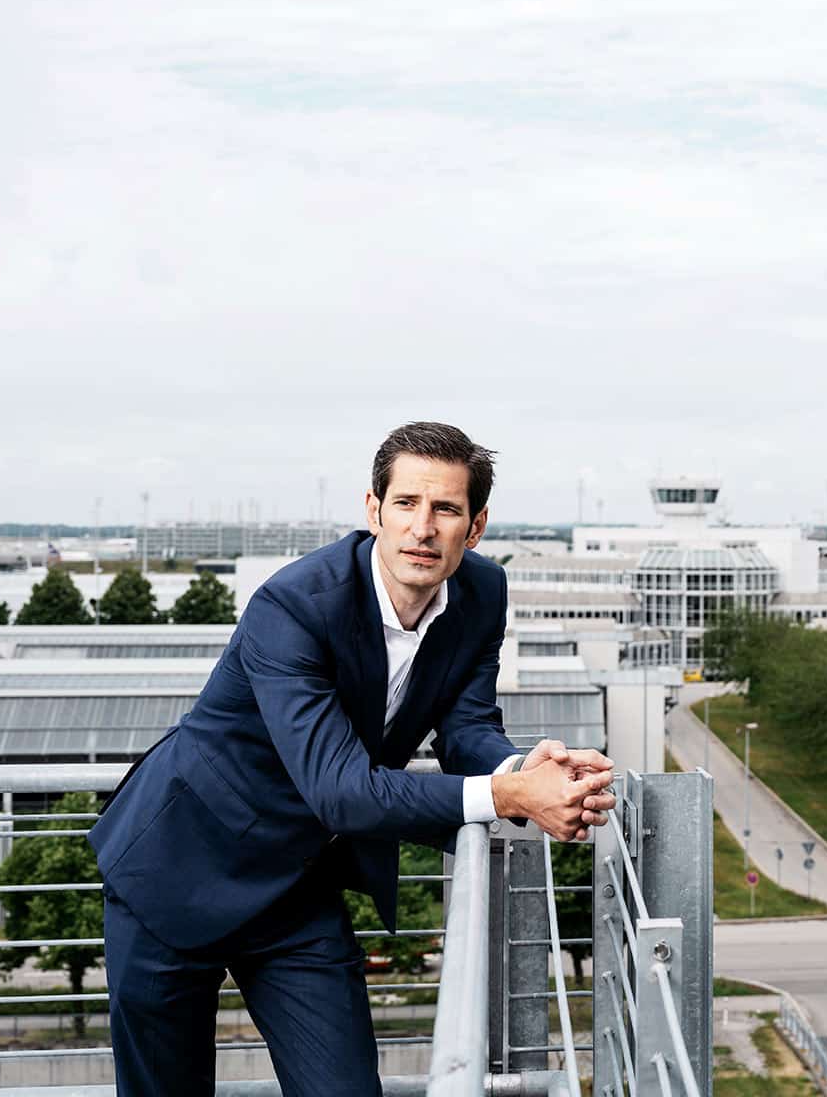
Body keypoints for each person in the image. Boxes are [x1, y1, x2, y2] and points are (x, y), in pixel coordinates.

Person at [88, 422, 614, 1096]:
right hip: (177, 869)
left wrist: (522, 770)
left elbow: (468, 727)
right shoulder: (293, 605)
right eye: (405, 504)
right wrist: (509, 799)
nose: (423, 528)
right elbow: (340, 791)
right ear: (373, 511)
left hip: (297, 889)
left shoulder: (482, 594)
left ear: (474, 527)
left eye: (446, 509)